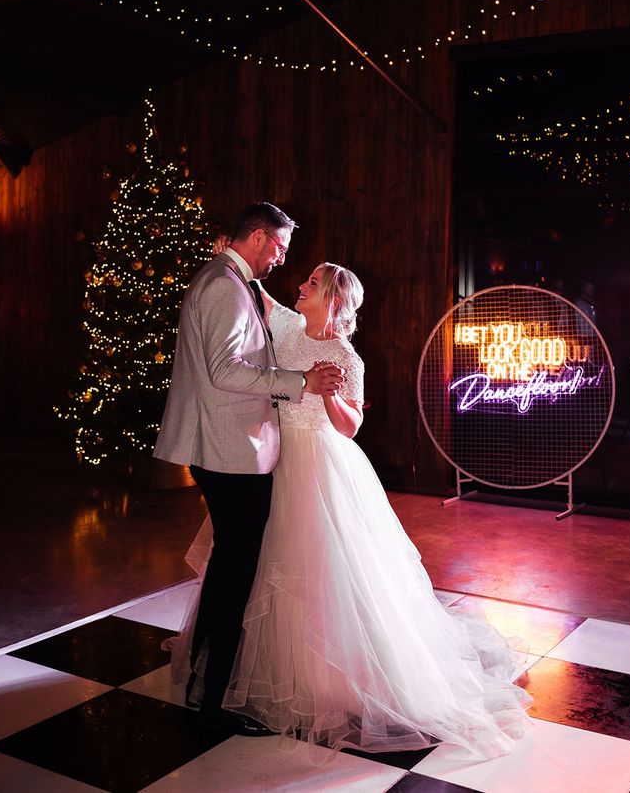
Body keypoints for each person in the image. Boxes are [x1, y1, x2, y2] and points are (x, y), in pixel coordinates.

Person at [171, 259, 533, 759]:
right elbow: (262, 301)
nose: (301, 285)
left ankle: (325, 680)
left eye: (312, 283)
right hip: (272, 459)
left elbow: (350, 427)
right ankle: (250, 670)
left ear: (333, 301)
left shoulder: (347, 357)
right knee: (255, 563)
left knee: (321, 571)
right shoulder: (290, 327)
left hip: (319, 464)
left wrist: (328, 394)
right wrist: (236, 262)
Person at [153, 203, 343, 737]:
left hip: (228, 447)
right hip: (228, 449)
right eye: (280, 247)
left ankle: (202, 678)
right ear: (258, 238)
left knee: (229, 568)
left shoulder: (232, 279)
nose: (282, 259)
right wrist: (299, 383)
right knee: (237, 573)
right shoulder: (223, 285)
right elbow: (224, 370)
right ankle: (213, 698)